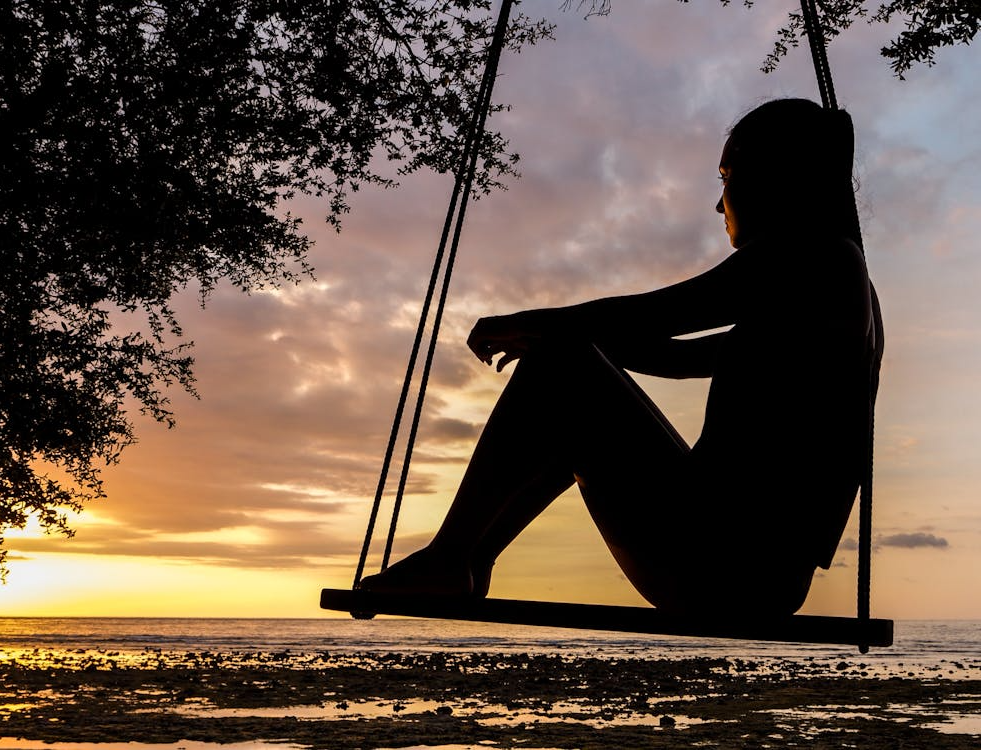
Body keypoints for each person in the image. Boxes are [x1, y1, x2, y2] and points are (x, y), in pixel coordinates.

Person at [360, 98, 882, 616]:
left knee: (562, 364)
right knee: (569, 371)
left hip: (723, 564)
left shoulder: (812, 258)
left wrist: (541, 327)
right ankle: (470, 560)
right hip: (755, 573)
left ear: (774, 174)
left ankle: (451, 557)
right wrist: (569, 340)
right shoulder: (832, 286)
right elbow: (677, 356)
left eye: (726, 176)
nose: (719, 205)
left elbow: (664, 312)